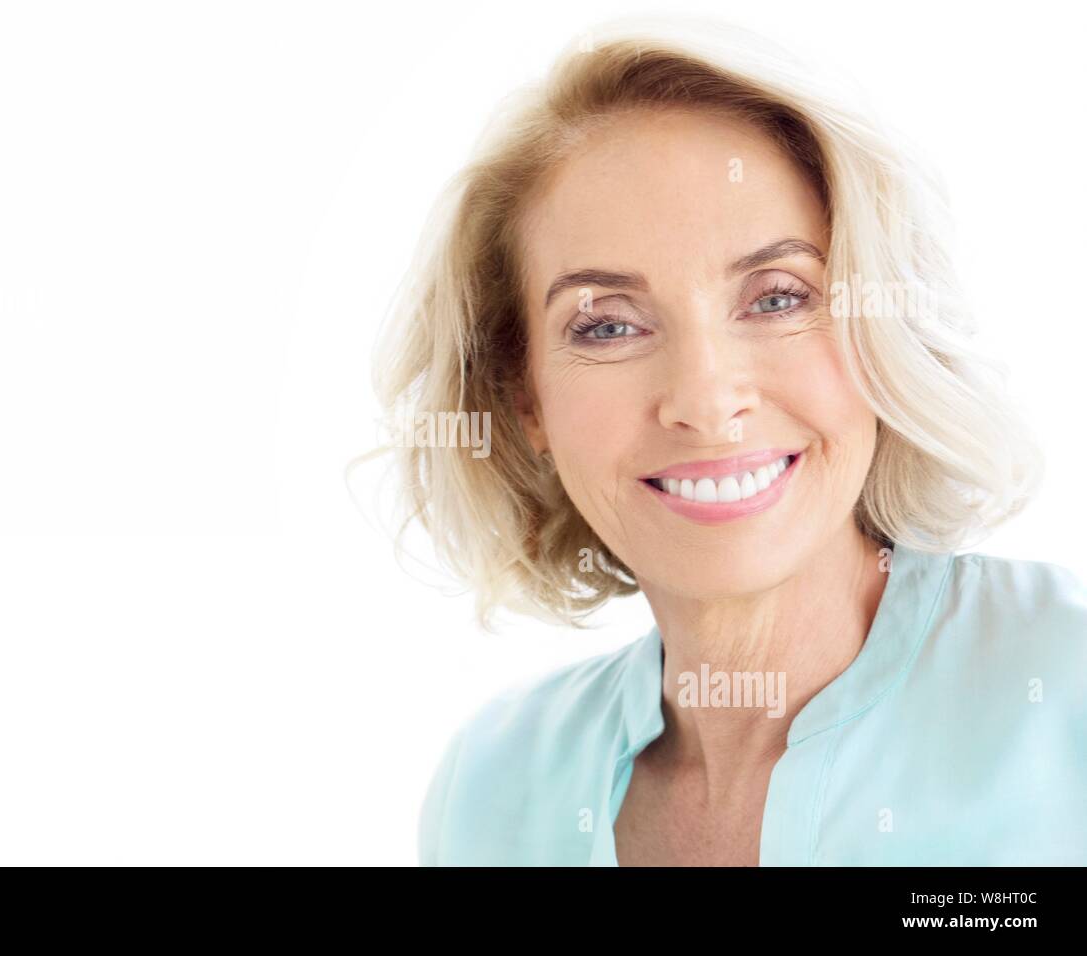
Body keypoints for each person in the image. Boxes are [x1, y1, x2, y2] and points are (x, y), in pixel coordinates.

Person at [367, 15, 1087, 865]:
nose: (707, 403)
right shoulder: (491, 791)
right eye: (606, 326)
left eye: (777, 297)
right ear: (524, 399)